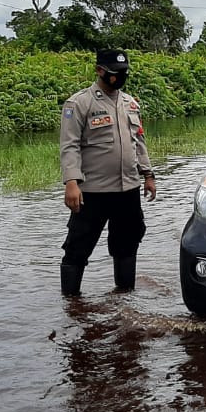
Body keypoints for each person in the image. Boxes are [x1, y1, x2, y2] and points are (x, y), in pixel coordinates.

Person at [59, 48, 157, 296]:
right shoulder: (79, 103)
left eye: (123, 72)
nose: (119, 77)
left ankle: (124, 300)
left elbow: (139, 142)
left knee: (127, 245)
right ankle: (71, 305)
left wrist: (148, 175)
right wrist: (71, 182)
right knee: (78, 247)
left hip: (128, 189)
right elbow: (69, 145)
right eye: (115, 72)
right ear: (99, 71)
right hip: (93, 191)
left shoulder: (130, 103)